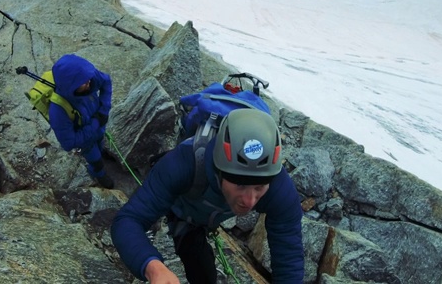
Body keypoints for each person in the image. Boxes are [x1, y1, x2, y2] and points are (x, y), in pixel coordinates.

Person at [111, 109, 304, 283]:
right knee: (196, 261)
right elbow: (128, 220)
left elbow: (288, 257)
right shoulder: (183, 164)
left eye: (259, 187)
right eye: (239, 185)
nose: (249, 200)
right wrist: (153, 268)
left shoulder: (277, 185)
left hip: (203, 208)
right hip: (184, 210)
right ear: (219, 170)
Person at [50, 54, 114, 189]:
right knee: (95, 160)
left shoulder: (85, 77)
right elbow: (69, 143)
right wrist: (97, 122)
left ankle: (100, 152)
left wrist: (104, 109)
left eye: (88, 80)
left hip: (99, 126)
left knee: (100, 144)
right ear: (71, 86)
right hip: (86, 143)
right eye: (84, 83)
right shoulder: (58, 111)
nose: (89, 83)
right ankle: (98, 173)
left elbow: (106, 80)